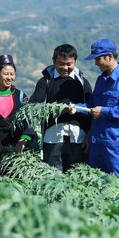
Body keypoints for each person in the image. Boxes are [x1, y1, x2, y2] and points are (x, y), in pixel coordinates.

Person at [71, 38, 119, 184]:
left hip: (114, 143)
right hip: (96, 143)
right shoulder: (101, 80)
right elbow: (92, 105)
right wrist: (76, 108)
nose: (96, 63)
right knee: (98, 184)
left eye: (98, 59)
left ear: (109, 56)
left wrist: (104, 112)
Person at [29, 44, 93, 172]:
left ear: (75, 61)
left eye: (69, 64)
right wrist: (57, 109)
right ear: (54, 61)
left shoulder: (82, 82)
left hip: (78, 137)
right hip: (53, 136)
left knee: (78, 176)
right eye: (61, 64)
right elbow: (34, 106)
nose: (65, 68)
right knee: (53, 176)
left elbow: (91, 108)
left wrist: (90, 133)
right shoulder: (45, 82)